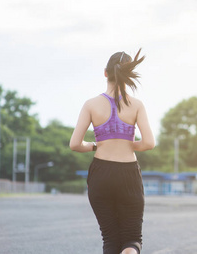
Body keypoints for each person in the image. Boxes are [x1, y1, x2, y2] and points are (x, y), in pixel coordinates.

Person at [70, 49, 155, 254]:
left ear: (105, 73)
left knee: (110, 239)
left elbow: (75, 144)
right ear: (128, 76)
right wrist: (127, 143)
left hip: (101, 174)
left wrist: (96, 145)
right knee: (132, 239)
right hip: (128, 174)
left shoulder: (91, 104)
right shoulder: (136, 105)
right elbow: (149, 143)